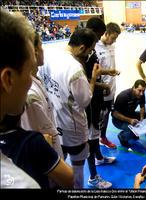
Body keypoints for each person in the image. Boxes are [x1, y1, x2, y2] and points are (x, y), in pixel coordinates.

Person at [0, 9, 73, 189]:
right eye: (28, 71)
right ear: (8, 79)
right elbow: (68, 179)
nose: (29, 82)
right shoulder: (22, 183)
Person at [39, 28, 101, 188]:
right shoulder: (74, 69)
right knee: (78, 169)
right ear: (82, 48)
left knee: (57, 164)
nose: (89, 54)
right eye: (90, 50)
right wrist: (93, 79)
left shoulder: (49, 56)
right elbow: (85, 101)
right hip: (73, 130)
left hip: (53, 124)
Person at [85, 18, 118, 188]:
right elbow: (88, 78)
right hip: (90, 101)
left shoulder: (91, 51)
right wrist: (102, 83)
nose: (98, 41)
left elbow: (93, 73)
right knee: (91, 138)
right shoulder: (86, 52)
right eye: (97, 37)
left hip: (98, 97)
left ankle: (99, 158)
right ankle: (92, 177)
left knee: (96, 133)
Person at [20, 33, 63, 158]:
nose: (43, 50)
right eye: (41, 45)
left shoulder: (36, 79)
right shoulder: (31, 95)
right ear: (35, 52)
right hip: (48, 162)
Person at [95, 22, 121, 149]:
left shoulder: (112, 46)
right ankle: (96, 139)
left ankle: (102, 137)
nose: (114, 41)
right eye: (113, 38)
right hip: (100, 89)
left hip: (111, 88)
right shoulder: (95, 47)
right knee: (99, 115)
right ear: (106, 33)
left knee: (106, 115)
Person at [112, 80, 146, 151]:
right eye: (139, 90)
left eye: (143, 91)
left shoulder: (141, 95)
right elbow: (115, 114)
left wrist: (142, 118)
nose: (141, 93)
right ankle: (122, 136)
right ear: (134, 88)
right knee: (132, 129)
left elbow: (142, 106)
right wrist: (130, 120)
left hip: (131, 114)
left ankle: (142, 134)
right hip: (118, 120)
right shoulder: (123, 96)